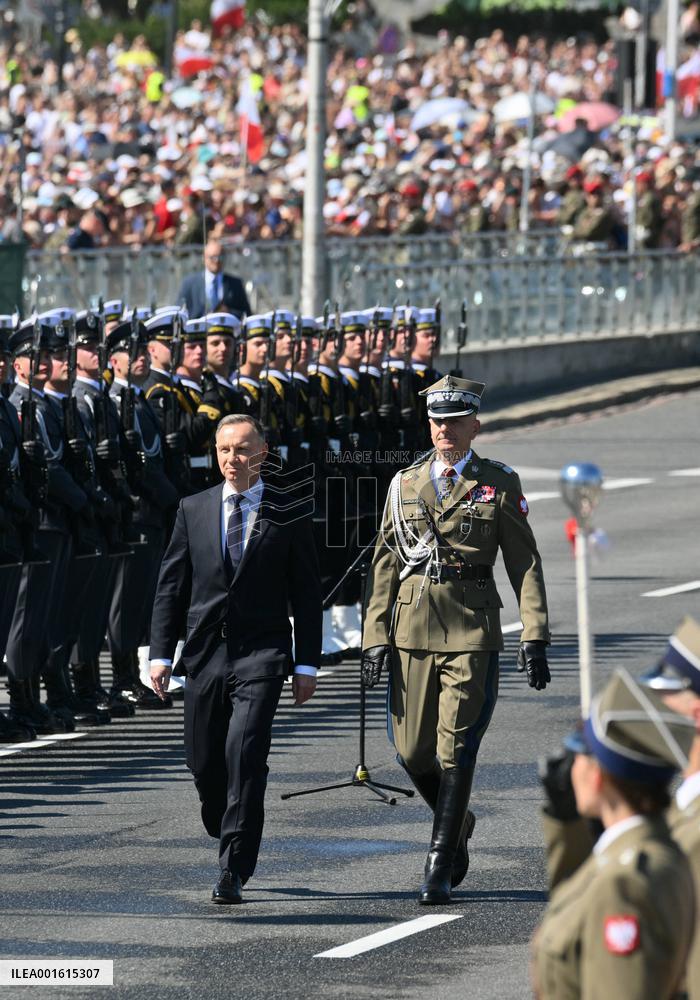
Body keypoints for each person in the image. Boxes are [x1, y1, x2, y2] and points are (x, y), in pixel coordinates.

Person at [361, 374, 550, 904]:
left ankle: (439, 864)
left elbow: (524, 562)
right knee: (411, 752)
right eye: (436, 421)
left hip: (471, 627)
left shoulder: (497, 482)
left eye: (454, 420)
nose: (444, 429)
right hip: (412, 626)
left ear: (474, 425)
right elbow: (384, 563)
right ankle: (458, 819)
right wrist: (375, 635)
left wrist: (533, 632)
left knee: (456, 749)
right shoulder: (404, 483)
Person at [149, 414, 322, 904]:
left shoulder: (288, 511)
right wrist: (161, 654)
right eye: (224, 451)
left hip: (262, 653)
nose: (232, 460)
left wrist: (306, 664)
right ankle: (220, 813)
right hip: (204, 654)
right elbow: (171, 587)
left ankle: (234, 868)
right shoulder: (193, 508)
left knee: (245, 753)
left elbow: (307, 593)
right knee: (204, 761)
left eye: (242, 450)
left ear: (263, 454)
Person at [532, 669, 696, 999]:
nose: (568, 765)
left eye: (579, 755)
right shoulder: (654, 850)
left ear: (597, 777)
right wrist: (568, 826)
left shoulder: (623, 884)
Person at [177, 239, 251, 319]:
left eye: (220, 256)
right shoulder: (189, 283)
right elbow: (179, 313)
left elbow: (247, 314)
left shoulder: (235, 283)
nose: (217, 260)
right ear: (204, 258)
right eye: (212, 257)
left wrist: (229, 312)